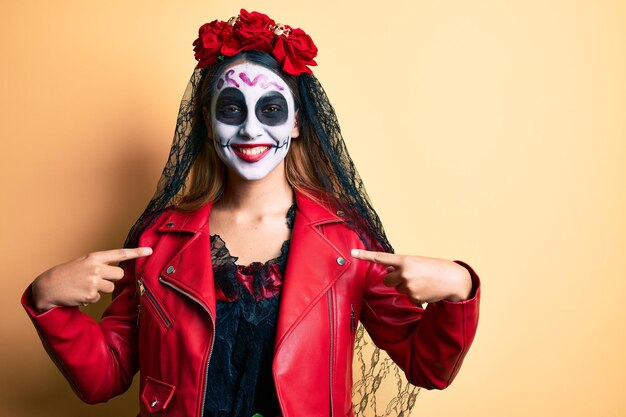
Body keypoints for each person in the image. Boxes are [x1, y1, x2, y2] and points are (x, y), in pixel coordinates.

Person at [21, 9, 481, 417]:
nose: (250, 127)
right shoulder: (157, 241)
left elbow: (428, 368)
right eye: (232, 108)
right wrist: (48, 301)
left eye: (272, 109)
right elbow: (105, 378)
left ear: (298, 121)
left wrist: (458, 288)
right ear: (207, 120)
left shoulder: (346, 242)